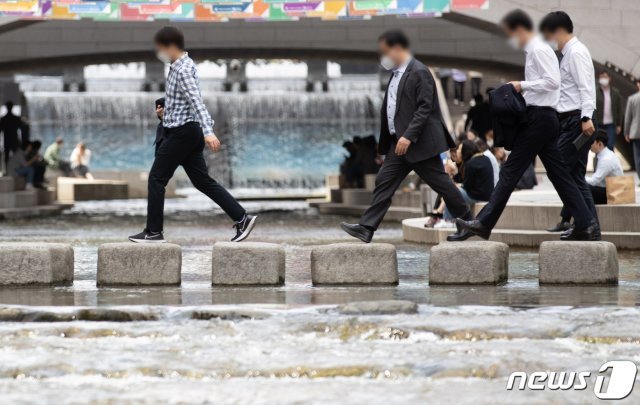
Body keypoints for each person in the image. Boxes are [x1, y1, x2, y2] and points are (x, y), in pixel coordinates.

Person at [449, 9, 597, 242]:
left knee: (510, 171)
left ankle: (483, 223)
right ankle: (586, 224)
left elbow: (552, 81)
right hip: (545, 119)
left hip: (541, 119)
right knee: (559, 174)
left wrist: (521, 85)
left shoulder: (539, 49)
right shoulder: (536, 50)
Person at [341, 30, 472, 243]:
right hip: (398, 144)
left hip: (417, 142)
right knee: (384, 181)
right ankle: (366, 227)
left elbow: (425, 108)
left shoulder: (420, 71)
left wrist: (409, 136)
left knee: (441, 184)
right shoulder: (395, 74)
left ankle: (467, 221)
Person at [129, 26, 256, 243]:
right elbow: (185, 103)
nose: (159, 53)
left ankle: (154, 232)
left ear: (171, 47)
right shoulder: (181, 65)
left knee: (157, 179)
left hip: (183, 133)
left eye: (160, 49)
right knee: (202, 182)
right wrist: (164, 113)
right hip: (186, 131)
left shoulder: (183, 70)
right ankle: (241, 218)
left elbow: (197, 101)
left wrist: (209, 131)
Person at [539, 11, 599, 235]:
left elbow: (586, 87)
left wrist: (586, 117)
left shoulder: (576, 53)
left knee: (559, 168)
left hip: (576, 122)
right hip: (571, 121)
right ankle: (588, 227)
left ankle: (585, 224)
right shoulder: (569, 53)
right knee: (574, 175)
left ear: (559, 31)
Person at [550, 131, 623, 229]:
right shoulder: (603, 155)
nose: (589, 145)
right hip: (604, 191)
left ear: (599, 144)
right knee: (577, 189)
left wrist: (578, 180)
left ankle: (567, 221)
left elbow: (594, 180)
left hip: (610, 194)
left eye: (592, 142)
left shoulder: (607, 159)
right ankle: (567, 221)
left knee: (577, 188)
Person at [440, 140, 494, 228]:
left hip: (477, 196)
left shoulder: (471, 163)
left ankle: (448, 220)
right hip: (487, 195)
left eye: (460, 149)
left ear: (466, 150)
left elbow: (467, 186)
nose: (458, 152)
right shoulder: (485, 158)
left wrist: (459, 186)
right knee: (454, 189)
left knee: (450, 191)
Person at [596, 71, 624, 151]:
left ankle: (608, 163)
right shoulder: (596, 91)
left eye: (605, 77)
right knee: (598, 147)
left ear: (609, 78)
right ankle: (598, 163)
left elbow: (619, 109)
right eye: (601, 77)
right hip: (598, 123)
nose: (603, 79)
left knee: (610, 146)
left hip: (610, 125)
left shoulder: (615, 93)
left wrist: (619, 124)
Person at [0, 101, 24, 169]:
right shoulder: (16, 118)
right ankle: (15, 169)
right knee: (15, 156)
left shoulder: (3, 119)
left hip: (7, 140)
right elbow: (22, 129)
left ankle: (7, 170)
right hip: (14, 140)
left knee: (7, 156)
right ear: (12, 107)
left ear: (6, 107)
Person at [624, 79, 640, 179]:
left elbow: (627, 117)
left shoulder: (632, 99)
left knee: (638, 157)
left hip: (636, 132)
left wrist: (626, 132)